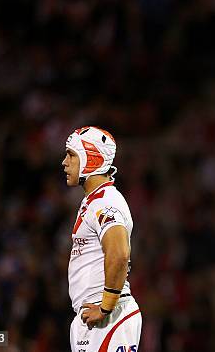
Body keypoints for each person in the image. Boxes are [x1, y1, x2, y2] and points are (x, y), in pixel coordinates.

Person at [62, 126, 142, 352]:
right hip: (95, 317)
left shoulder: (106, 201)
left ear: (91, 158)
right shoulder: (95, 200)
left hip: (108, 317)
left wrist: (106, 307)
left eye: (71, 155)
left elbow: (119, 253)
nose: (64, 163)